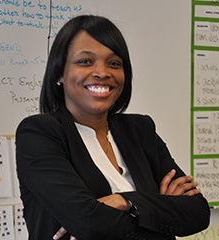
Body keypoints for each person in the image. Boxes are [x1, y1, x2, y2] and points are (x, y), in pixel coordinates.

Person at [16, 15, 210, 240]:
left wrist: (124, 201)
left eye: (114, 63)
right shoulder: (39, 134)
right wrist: (160, 209)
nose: (102, 72)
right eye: (85, 61)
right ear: (59, 72)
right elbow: (88, 223)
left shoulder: (140, 129)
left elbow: (197, 212)